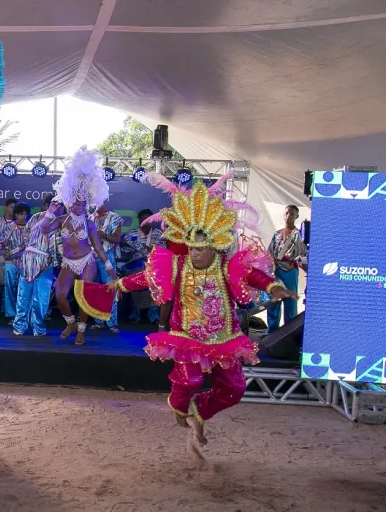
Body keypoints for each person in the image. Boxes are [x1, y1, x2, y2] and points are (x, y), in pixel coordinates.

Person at [106, 183, 297, 446]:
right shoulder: (178, 265)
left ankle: (200, 411)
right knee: (190, 380)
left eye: (200, 248)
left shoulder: (228, 266)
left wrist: (275, 286)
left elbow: (254, 275)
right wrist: (120, 284)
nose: (194, 252)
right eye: (191, 247)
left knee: (235, 389)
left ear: (214, 247)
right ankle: (178, 403)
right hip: (188, 339)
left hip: (224, 340)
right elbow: (147, 277)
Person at [41, 147, 116, 345]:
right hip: (68, 262)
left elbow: (98, 247)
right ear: (69, 203)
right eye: (76, 204)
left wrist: (109, 268)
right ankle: (71, 323)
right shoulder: (61, 220)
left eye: (83, 205)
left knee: (83, 295)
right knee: (60, 295)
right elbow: (43, 230)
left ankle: (81, 330)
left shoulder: (89, 223)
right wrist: (50, 211)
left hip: (86, 261)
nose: (79, 207)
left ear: (87, 205)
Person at [13, 196, 64, 337]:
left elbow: (59, 247)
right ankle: (19, 326)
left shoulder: (61, 222)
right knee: (23, 295)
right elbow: (26, 234)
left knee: (41, 297)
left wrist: (57, 262)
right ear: (47, 205)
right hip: (28, 259)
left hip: (45, 262)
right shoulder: (36, 217)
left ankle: (39, 327)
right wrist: (29, 250)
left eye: (61, 206)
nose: (59, 208)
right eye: (56, 205)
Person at [118, 208, 164, 324]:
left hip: (154, 264)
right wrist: (123, 244)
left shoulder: (159, 234)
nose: (146, 221)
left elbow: (164, 251)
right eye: (143, 219)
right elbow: (125, 250)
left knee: (156, 287)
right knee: (135, 285)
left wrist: (151, 250)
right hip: (136, 264)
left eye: (148, 219)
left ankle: (153, 316)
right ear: (139, 221)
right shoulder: (132, 234)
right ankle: (135, 315)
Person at [266, 204, 305, 334]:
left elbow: (301, 252)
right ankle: (272, 332)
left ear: (297, 216)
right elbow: (269, 252)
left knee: (290, 302)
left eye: (292, 214)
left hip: (289, 271)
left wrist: (289, 258)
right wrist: (271, 264)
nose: (288, 216)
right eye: (287, 213)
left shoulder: (298, 235)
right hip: (275, 271)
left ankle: (289, 334)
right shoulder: (277, 234)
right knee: (273, 301)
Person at [89, 202, 123, 333]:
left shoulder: (114, 217)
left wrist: (105, 236)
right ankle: (98, 321)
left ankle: (112, 322)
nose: (96, 204)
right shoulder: (89, 218)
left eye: (98, 200)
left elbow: (117, 239)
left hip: (106, 255)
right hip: (91, 256)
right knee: (94, 288)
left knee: (110, 287)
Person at [1, 202, 31, 322]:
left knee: (23, 289)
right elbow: (2, 242)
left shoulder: (30, 227)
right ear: (16, 214)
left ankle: (22, 315)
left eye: (25, 214)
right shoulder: (10, 227)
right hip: (10, 262)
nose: (23, 217)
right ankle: (11, 314)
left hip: (26, 263)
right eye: (20, 214)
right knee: (10, 288)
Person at [0, 198, 17, 315]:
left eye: (15, 207)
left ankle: (5, 310)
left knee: (8, 284)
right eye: (11, 207)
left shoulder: (18, 224)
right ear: (6, 207)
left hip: (11, 257)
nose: (13, 209)